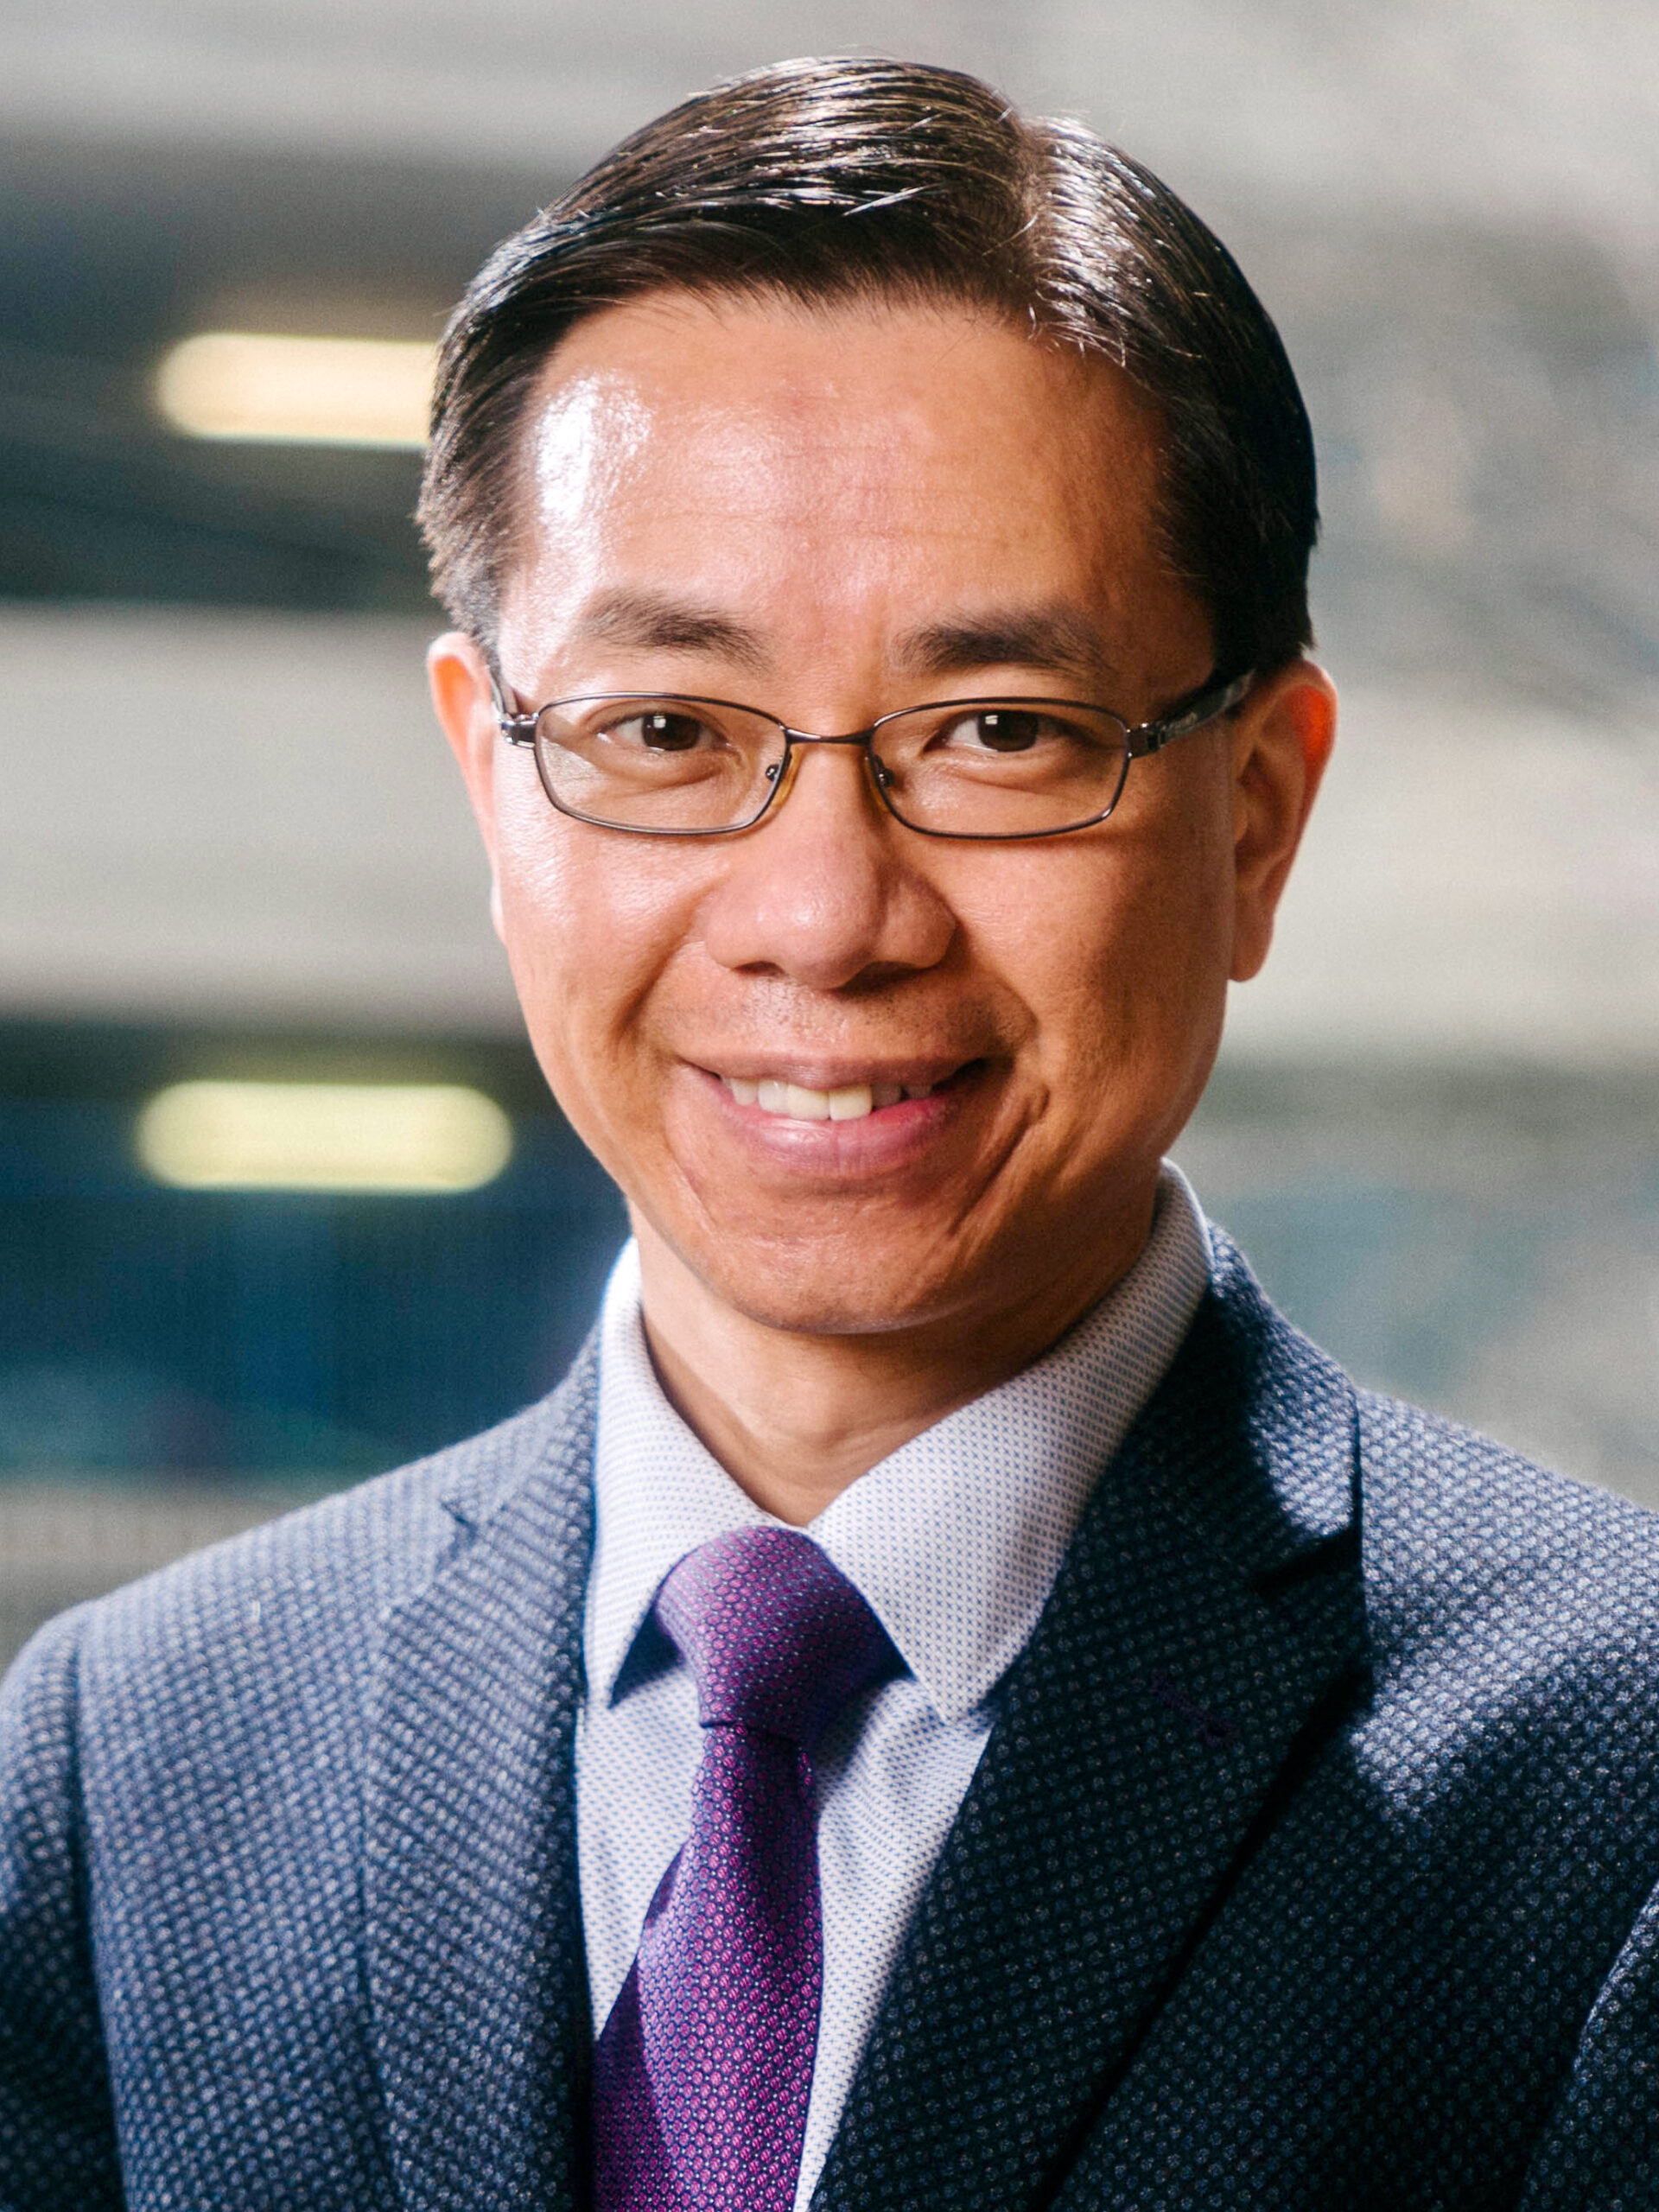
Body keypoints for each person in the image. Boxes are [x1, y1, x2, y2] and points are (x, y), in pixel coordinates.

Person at [3, 55, 1658, 2212]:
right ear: (492, 784)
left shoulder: (1611, 1785)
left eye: (999, 731)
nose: (823, 915)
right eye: (666, 730)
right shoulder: (133, 1770)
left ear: (1255, 813)